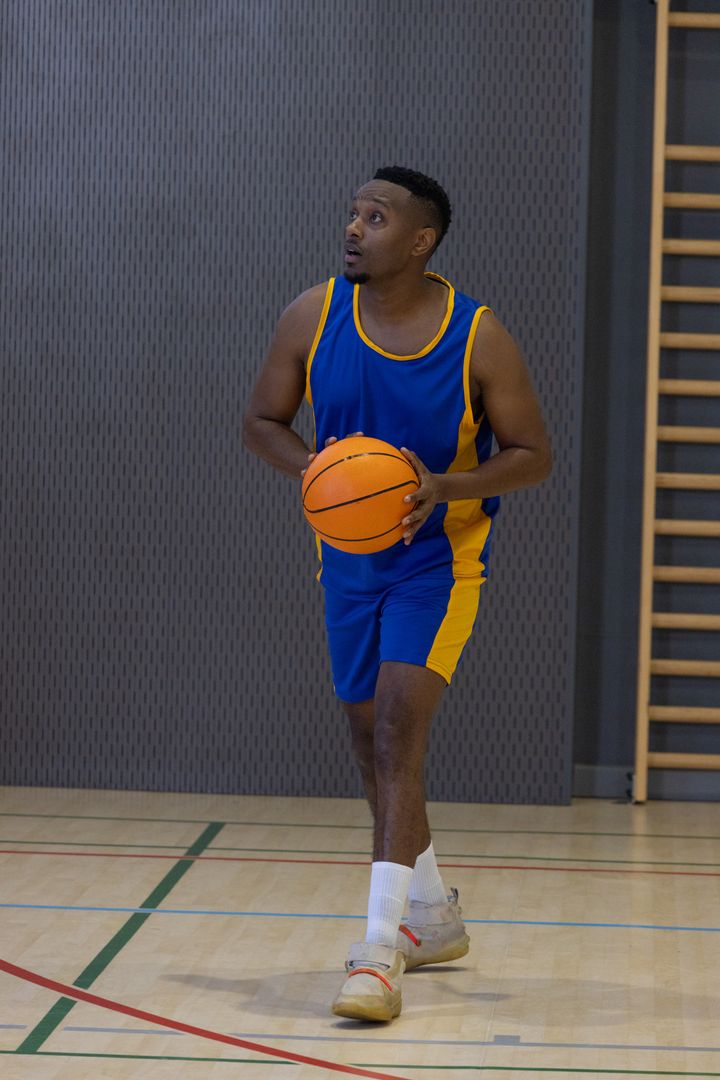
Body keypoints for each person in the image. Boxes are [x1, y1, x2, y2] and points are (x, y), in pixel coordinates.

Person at [243, 165, 552, 1022]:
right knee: (367, 746)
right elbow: (261, 421)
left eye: (375, 218)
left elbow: (532, 454)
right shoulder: (312, 314)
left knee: (395, 738)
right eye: (351, 213)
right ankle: (433, 913)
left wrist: (442, 488)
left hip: (437, 564)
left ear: (421, 241)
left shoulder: (478, 335)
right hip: (346, 564)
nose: (353, 228)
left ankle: (378, 954)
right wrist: (323, 474)